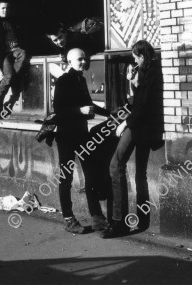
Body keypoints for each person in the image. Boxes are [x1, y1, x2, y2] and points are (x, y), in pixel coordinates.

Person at [101, 40, 164, 238]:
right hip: (147, 128)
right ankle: (142, 219)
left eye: (136, 57)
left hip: (137, 127)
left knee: (116, 165)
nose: (135, 61)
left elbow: (140, 106)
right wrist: (133, 83)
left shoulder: (152, 74)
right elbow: (139, 99)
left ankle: (119, 222)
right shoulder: (153, 72)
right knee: (140, 173)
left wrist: (125, 123)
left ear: (142, 56)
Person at [53, 48, 110, 234]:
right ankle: (69, 219)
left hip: (81, 134)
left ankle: (97, 218)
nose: (83, 62)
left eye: (85, 59)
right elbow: (59, 110)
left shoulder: (81, 79)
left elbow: (89, 103)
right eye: (79, 59)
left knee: (91, 175)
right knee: (66, 179)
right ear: (69, 62)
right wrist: (80, 112)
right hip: (66, 136)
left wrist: (110, 113)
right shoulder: (62, 81)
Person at [0, 1, 28, 119]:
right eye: (2, 8)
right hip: (3, 54)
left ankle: (2, 83)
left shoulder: (14, 22)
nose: (5, 10)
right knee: (10, 77)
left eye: (7, 8)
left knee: (23, 53)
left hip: (15, 50)